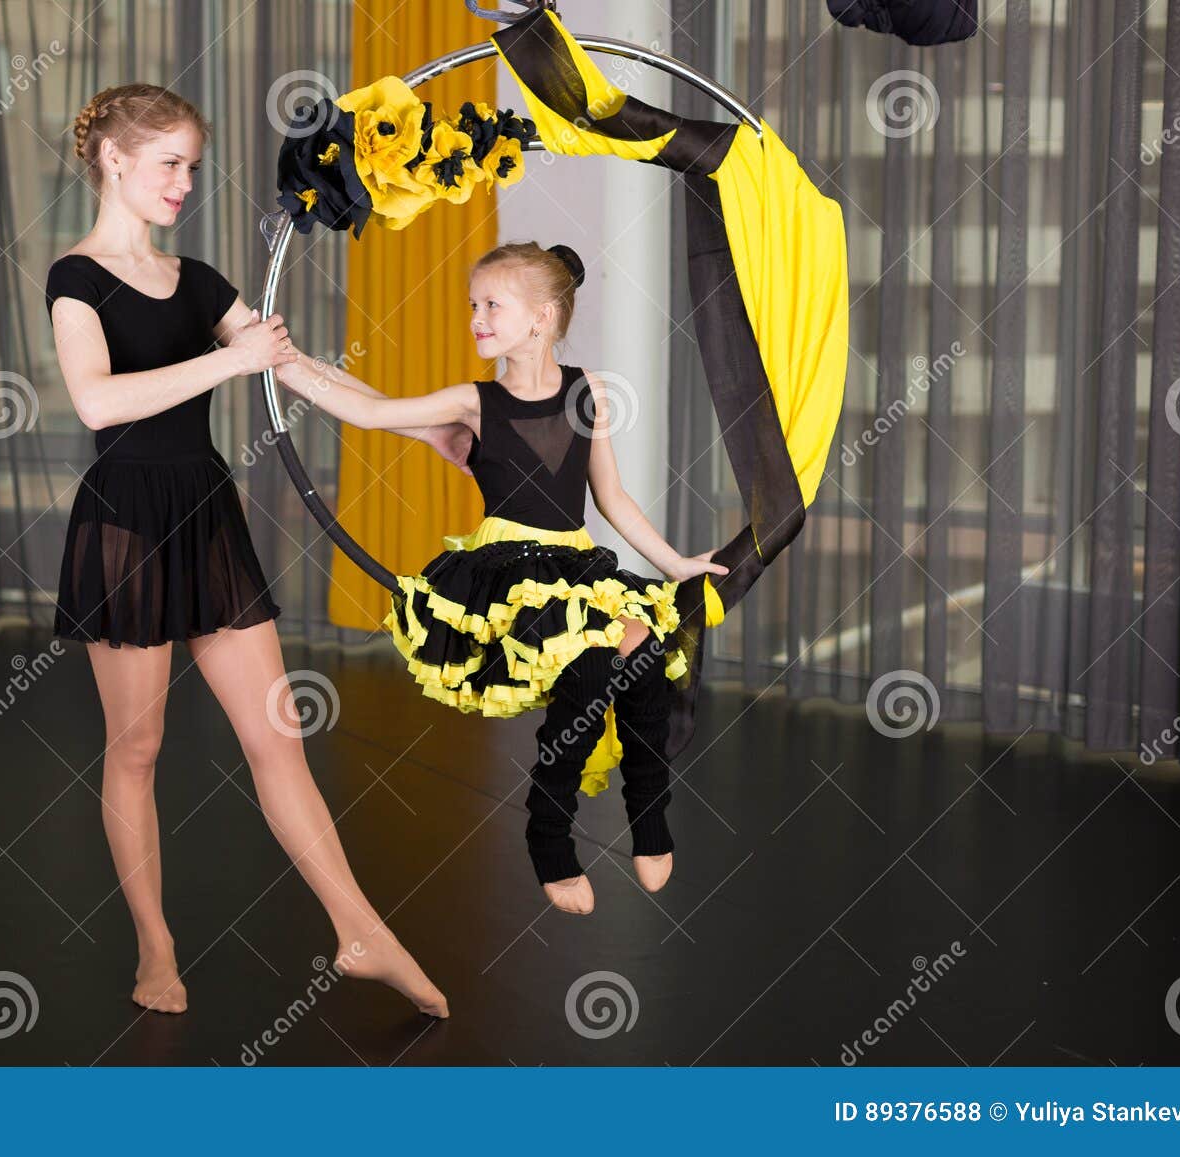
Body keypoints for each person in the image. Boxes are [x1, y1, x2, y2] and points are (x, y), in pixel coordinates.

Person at [44, 83, 467, 1015]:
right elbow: (98, 402)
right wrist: (228, 361)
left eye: (193, 166)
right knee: (138, 745)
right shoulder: (76, 277)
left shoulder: (197, 281)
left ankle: (360, 929)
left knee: (280, 740)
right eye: (170, 164)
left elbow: (298, 370)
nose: (186, 183)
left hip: (204, 514)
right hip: (125, 523)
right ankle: (156, 949)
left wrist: (417, 422)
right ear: (114, 160)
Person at [273, 240, 726, 915]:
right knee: (590, 666)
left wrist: (677, 563)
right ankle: (550, 836)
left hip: (576, 564)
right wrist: (284, 362)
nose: (476, 318)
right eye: (472, 306)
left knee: (645, 652)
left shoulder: (588, 390)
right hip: (508, 571)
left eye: (492, 305)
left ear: (542, 318)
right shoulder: (472, 400)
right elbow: (372, 411)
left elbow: (613, 497)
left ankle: (650, 819)